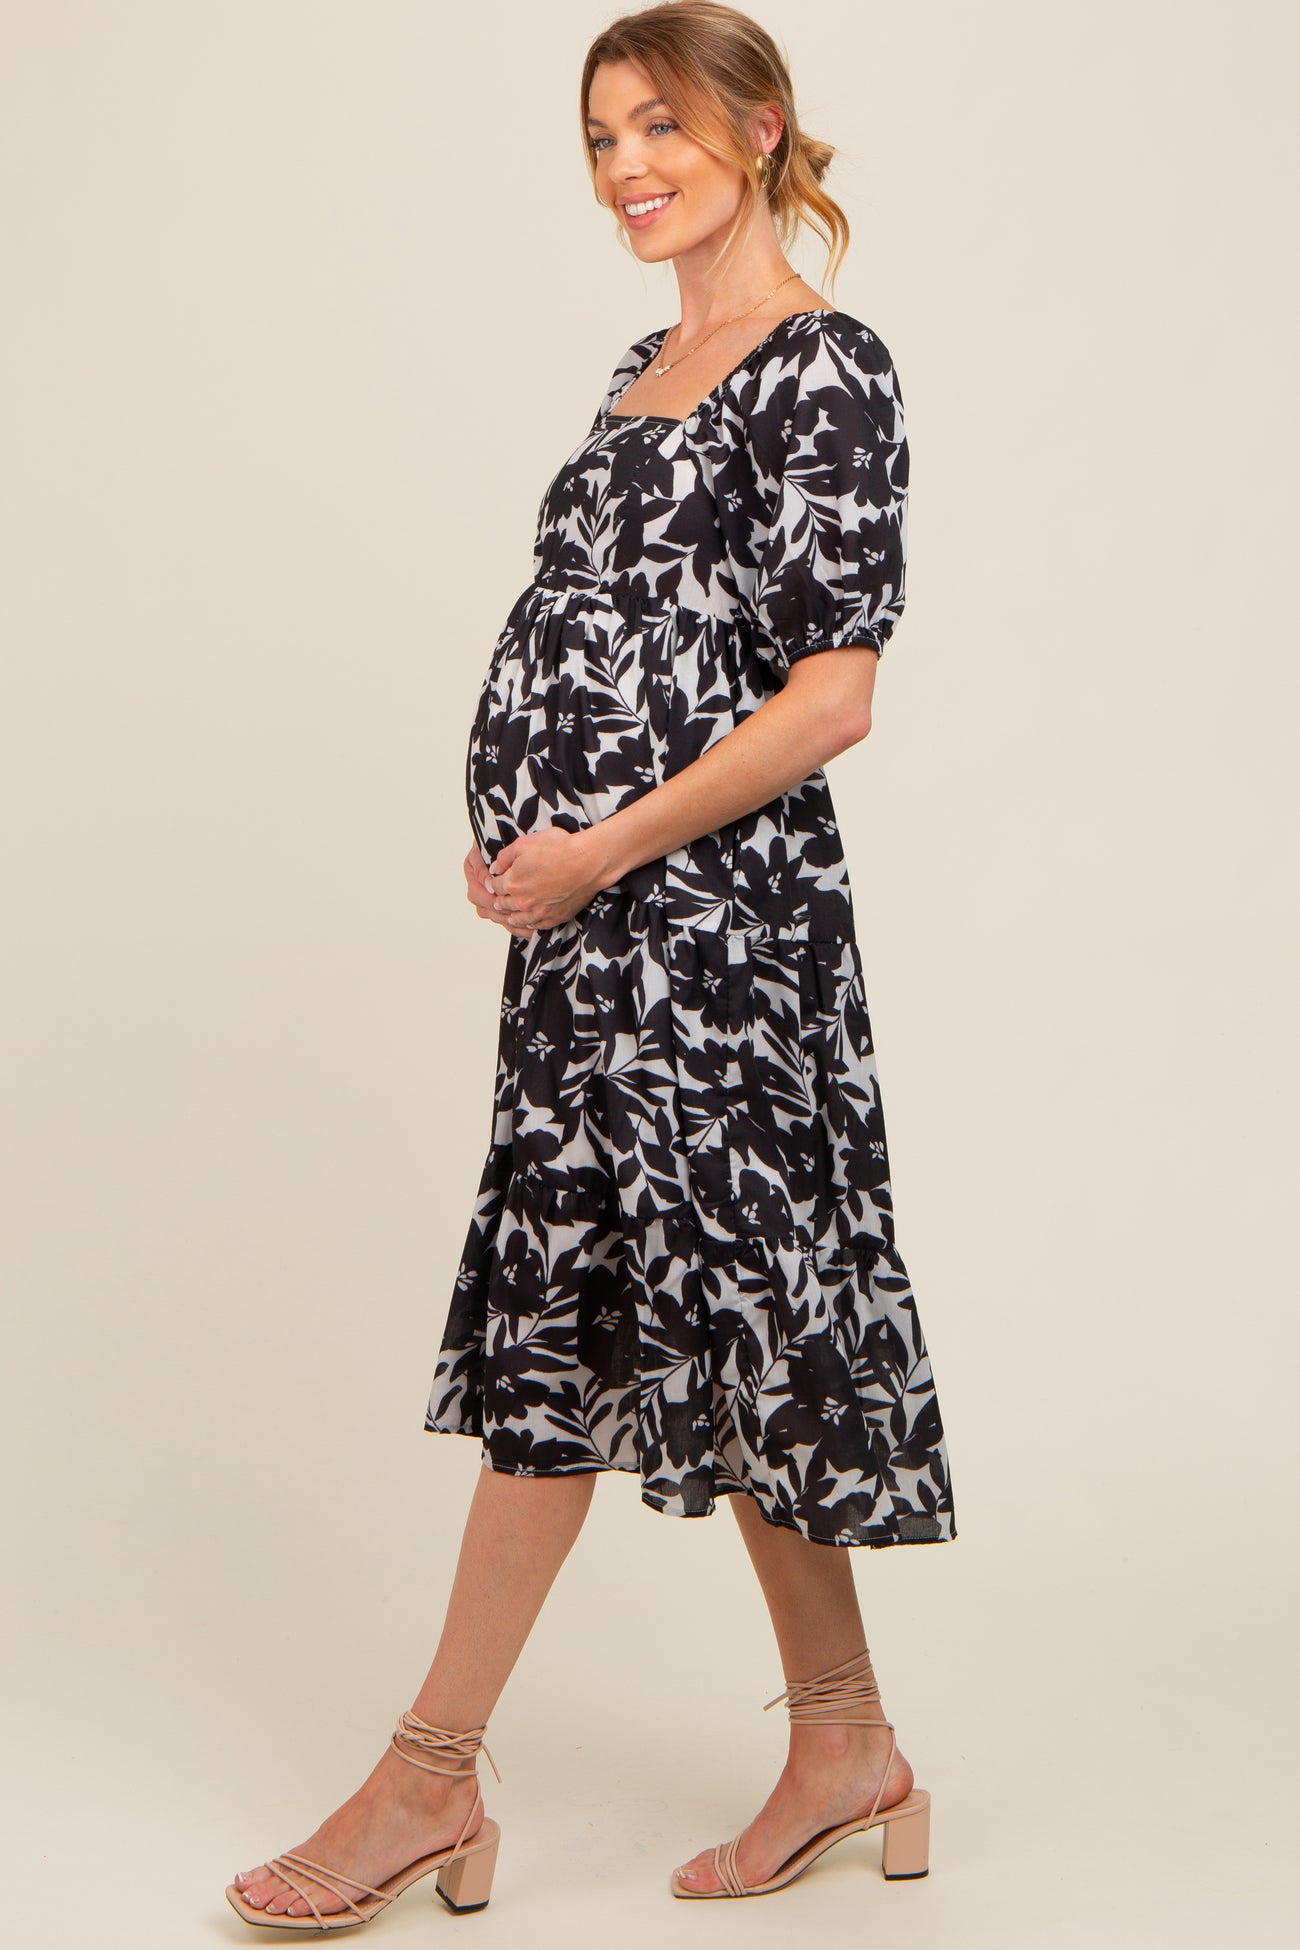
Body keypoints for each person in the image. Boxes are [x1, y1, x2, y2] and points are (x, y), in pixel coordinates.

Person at [226, 1, 956, 1929]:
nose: (626, 168)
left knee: (610, 1313)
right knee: (706, 1311)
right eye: (600, 138)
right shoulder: (646, 364)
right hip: (592, 939)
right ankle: (846, 1742)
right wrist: (531, 834)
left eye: (660, 128)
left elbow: (831, 698)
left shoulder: (827, 369)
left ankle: (427, 1774)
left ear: (760, 127)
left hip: (716, 940)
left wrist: (604, 841)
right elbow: (605, 629)